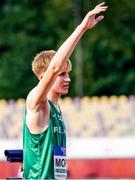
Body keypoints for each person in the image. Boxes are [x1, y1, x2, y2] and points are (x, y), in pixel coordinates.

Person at [23, 2, 108, 179]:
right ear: (42, 76)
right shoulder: (37, 102)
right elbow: (54, 67)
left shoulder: (57, 110)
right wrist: (82, 28)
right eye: (62, 74)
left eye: (68, 73)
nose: (68, 79)